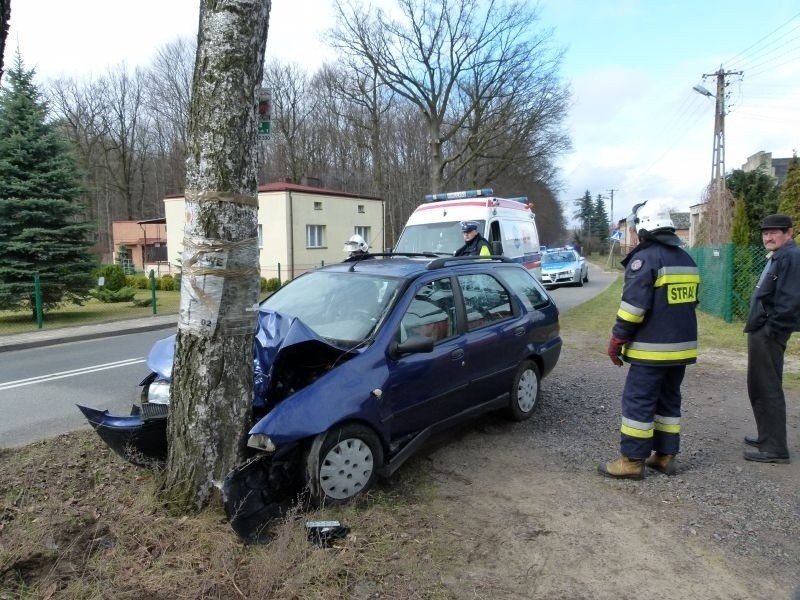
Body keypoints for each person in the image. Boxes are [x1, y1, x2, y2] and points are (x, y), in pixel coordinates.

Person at [598, 200, 700, 479]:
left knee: (638, 401)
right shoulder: (685, 258)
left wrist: (617, 339)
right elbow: (692, 302)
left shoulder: (646, 259)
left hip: (651, 351)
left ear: (642, 227)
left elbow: (633, 308)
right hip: (681, 349)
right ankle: (665, 457)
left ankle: (631, 461)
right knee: (669, 400)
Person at [742, 214, 800, 464]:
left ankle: (775, 447)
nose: (769, 237)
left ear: (789, 233)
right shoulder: (780, 256)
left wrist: (771, 328)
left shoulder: (790, 257)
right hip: (762, 330)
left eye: (775, 232)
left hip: (769, 332)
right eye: (766, 233)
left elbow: (790, 300)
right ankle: (767, 437)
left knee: (767, 387)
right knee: (759, 385)